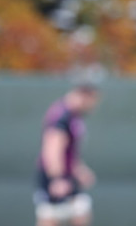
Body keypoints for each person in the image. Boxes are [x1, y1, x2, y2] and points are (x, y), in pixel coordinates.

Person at [33, 74, 100, 226]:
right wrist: (57, 178)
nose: (94, 105)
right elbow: (52, 148)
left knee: (82, 212)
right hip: (54, 177)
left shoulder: (74, 115)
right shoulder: (62, 115)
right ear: (85, 95)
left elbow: (69, 151)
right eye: (93, 100)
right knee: (51, 218)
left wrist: (79, 169)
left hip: (67, 176)